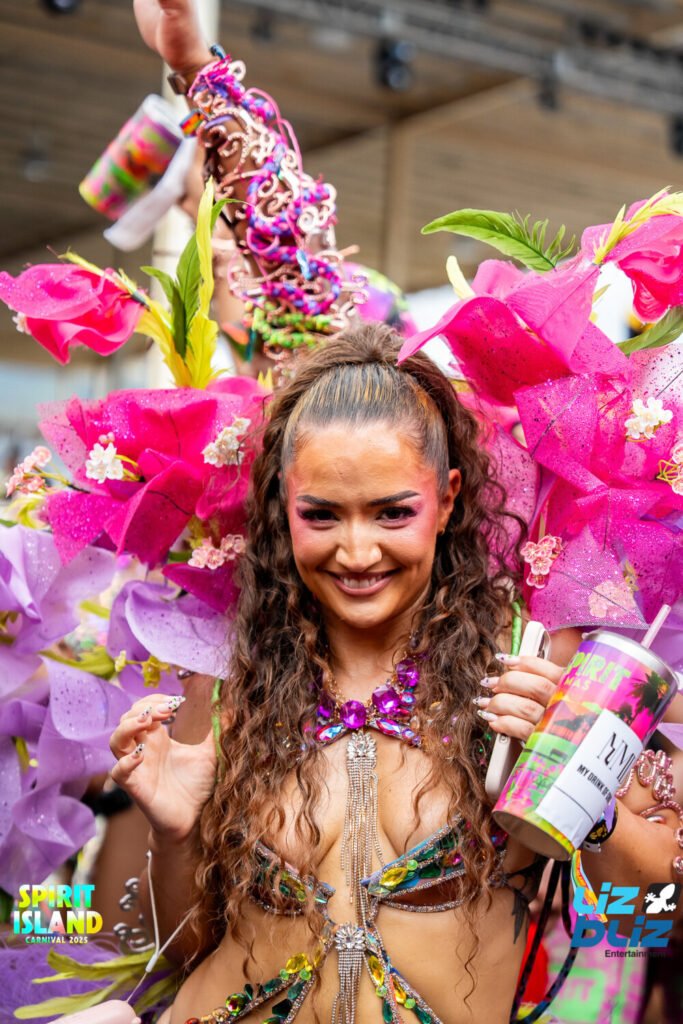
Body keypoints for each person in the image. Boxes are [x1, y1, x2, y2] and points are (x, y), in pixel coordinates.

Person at [109, 323, 682, 1024]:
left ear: (446, 498)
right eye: (321, 515)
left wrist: (586, 791)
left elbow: (649, 922)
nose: (357, 552)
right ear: (284, 505)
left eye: (392, 513)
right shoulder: (232, 677)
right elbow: (185, 951)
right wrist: (172, 836)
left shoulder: (533, 661)